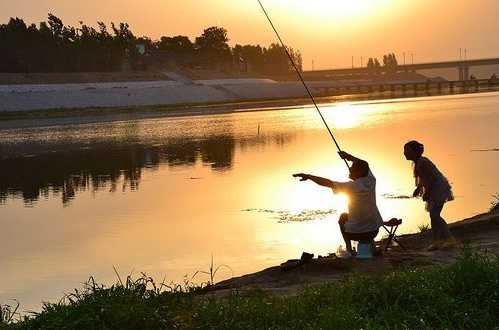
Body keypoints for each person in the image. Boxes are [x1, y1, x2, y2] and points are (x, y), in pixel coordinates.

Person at [293, 151, 383, 256]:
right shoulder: (371, 180)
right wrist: (349, 157)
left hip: (357, 233)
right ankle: (373, 249)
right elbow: (364, 164)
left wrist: (309, 176)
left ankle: (349, 249)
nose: (350, 168)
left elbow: (327, 183)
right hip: (373, 231)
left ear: (359, 172)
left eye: (352, 167)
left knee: (343, 217)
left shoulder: (351, 187)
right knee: (366, 222)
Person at [404, 140, 455, 249]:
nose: (404, 153)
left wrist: (427, 192)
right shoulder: (417, 163)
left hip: (438, 189)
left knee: (435, 215)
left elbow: (431, 178)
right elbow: (423, 178)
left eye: (407, 150)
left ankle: (449, 239)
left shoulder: (423, 162)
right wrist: (418, 188)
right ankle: (437, 241)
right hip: (434, 189)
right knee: (433, 216)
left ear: (414, 152)